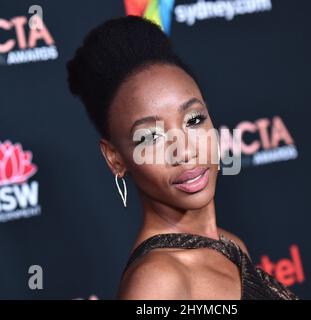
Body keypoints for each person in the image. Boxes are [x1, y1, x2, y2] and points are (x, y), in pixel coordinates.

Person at [66, 15, 298, 300]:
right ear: (115, 158)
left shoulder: (229, 244)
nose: (185, 151)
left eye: (194, 119)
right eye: (151, 138)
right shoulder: (157, 282)